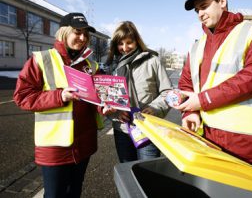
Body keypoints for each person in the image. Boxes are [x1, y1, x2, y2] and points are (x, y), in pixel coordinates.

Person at [175, 0, 252, 164]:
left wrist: (202, 101)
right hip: (203, 136)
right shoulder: (196, 46)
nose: (200, 14)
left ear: (222, 1)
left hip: (239, 142)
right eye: (197, 10)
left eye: (204, 6)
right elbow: (186, 84)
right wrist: (190, 113)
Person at [14, 12, 104, 198]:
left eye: (85, 34)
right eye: (77, 32)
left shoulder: (91, 65)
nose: (82, 38)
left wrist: (105, 106)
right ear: (63, 32)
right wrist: (59, 96)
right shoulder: (41, 59)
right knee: (54, 194)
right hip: (54, 146)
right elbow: (22, 97)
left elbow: (100, 97)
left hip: (84, 143)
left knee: (75, 191)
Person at [105, 21, 172, 163]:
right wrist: (116, 113)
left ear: (137, 41)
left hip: (148, 128)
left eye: (129, 42)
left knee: (147, 172)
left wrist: (155, 108)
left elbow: (168, 92)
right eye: (120, 44)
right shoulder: (113, 66)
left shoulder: (152, 61)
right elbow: (107, 98)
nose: (125, 48)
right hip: (122, 130)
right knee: (128, 172)